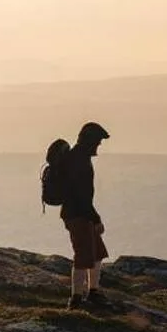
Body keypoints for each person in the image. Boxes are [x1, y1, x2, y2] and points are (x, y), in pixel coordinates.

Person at [61, 121, 111, 309]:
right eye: (98, 141)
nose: (99, 145)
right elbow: (82, 197)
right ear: (90, 141)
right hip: (78, 215)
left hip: (78, 213)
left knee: (97, 252)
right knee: (83, 256)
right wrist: (96, 219)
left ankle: (93, 291)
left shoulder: (77, 157)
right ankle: (76, 299)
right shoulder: (79, 161)